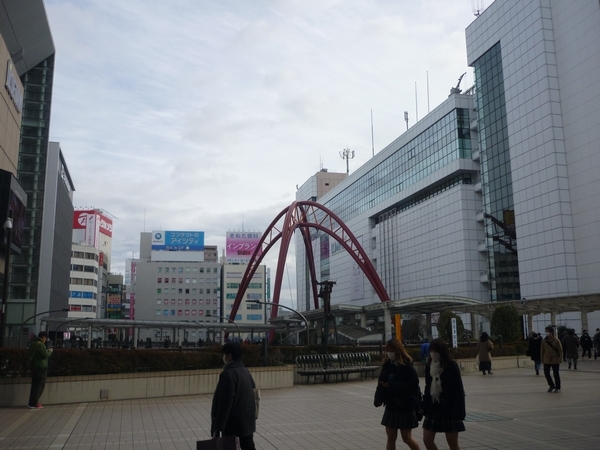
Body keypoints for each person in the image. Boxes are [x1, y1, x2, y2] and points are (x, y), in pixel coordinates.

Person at [211, 342, 256, 450]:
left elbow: (225, 403)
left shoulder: (228, 374)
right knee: (248, 446)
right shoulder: (244, 370)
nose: (224, 358)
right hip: (247, 421)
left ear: (229, 356)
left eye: (225, 355)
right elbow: (252, 390)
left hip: (233, 423)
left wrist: (218, 427)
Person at [377, 338, 421, 450]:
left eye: (392, 350)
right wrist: (378, 397)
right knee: (391, 438)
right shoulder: (387, 365)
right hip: (391, 405)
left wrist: (392, 384)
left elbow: (412, 387)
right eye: (388, 350)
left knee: (407, 438)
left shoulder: (407, 367)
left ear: (398, 350)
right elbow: (381, 382)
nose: (389, 353)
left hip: (405, 406)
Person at [422, 339, 466, 450]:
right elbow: (428, 387)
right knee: (427, 440)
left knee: (452, 443)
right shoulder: (429, 366)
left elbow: (459, 390)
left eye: (436, 350)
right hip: (433, 407)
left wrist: (459, 411)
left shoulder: (451, 366)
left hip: (449, 409)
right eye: (431, 350)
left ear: (442, 352)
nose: (433, 353)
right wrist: (424, 405)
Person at [28, 331, 53, 409]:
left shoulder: (33, 343)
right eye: (45, 338)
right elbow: (44, 355)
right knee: (39, 385)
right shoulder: (40, 345)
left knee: (35, 385)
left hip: (35, 366)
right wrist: (50, 351)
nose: (45, 339)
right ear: (43, 337)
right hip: (41, 367)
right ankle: (34, 403)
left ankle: (31, 402)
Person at [541, 326, 563, 393]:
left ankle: (558, 387)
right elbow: (542, 351)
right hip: (546, 359)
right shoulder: (544, 341)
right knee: (546, 373)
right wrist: (542, 359)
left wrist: (560, 359)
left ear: (551, 332)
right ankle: (551, 385)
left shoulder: (556, 340)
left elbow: (560, 350)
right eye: (546, 331)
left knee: (556, 374)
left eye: (548, 331)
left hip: (555, 359)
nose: (546, 333)